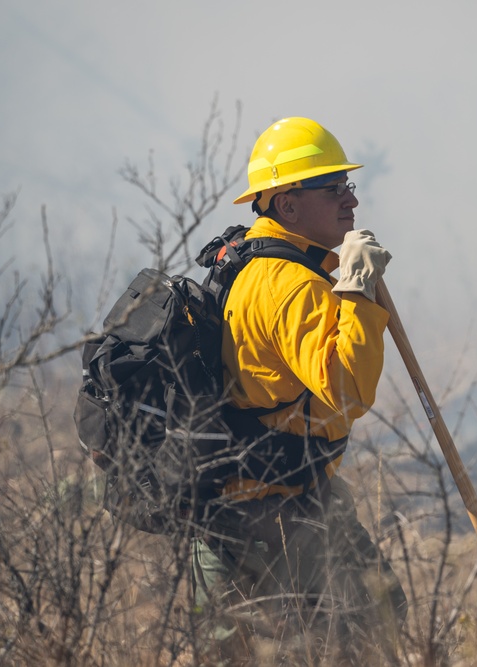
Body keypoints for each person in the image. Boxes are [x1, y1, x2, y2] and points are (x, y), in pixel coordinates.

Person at [188, 117, 407, 663]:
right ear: (286, 205)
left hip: (243, 508)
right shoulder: (289, 285)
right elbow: (349, 394)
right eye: (332, 188)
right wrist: (356, 290)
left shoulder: (249, 260)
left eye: (347, 185)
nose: (350, 200)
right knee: (371, 631)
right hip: (274, 518)